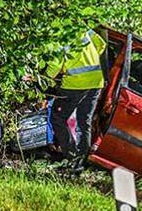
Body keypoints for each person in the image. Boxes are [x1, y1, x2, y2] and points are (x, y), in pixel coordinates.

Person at [44, 28, 107, 171]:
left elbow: (55, 65)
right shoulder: (81, 27)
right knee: (84, 121)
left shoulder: (57, 32)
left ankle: (70, 156)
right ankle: (81, 160)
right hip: (97, 81)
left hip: (76, 83)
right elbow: (101, 45)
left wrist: (43, 79)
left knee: (58, 117)